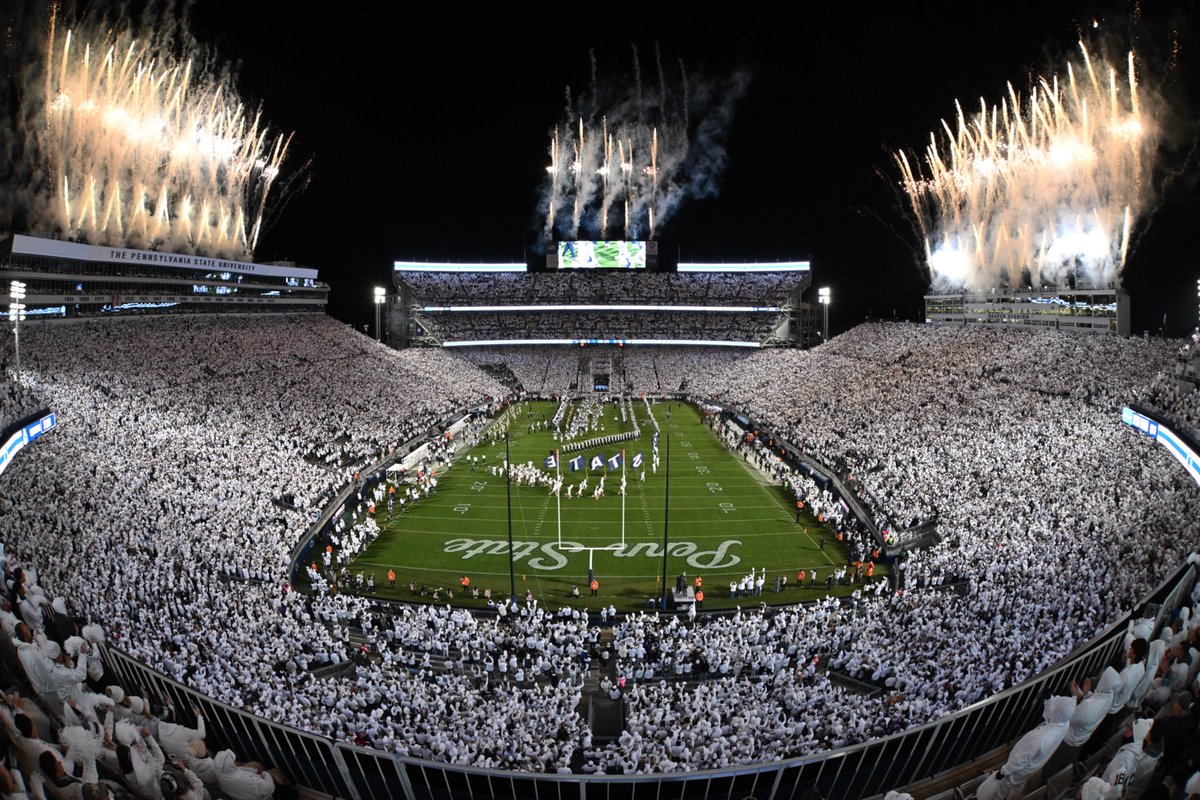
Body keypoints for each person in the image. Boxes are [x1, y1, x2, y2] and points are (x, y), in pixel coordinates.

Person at [976, 695, 1076, 800]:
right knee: (1017, 786)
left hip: (1017, 770)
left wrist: (1003, 771)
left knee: (999, 793)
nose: (1053, 707)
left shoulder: (1040, 739)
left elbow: (1020, 760)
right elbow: (1051, 715)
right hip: (1031, 768)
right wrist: (1049, 699)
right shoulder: (1064, 723)